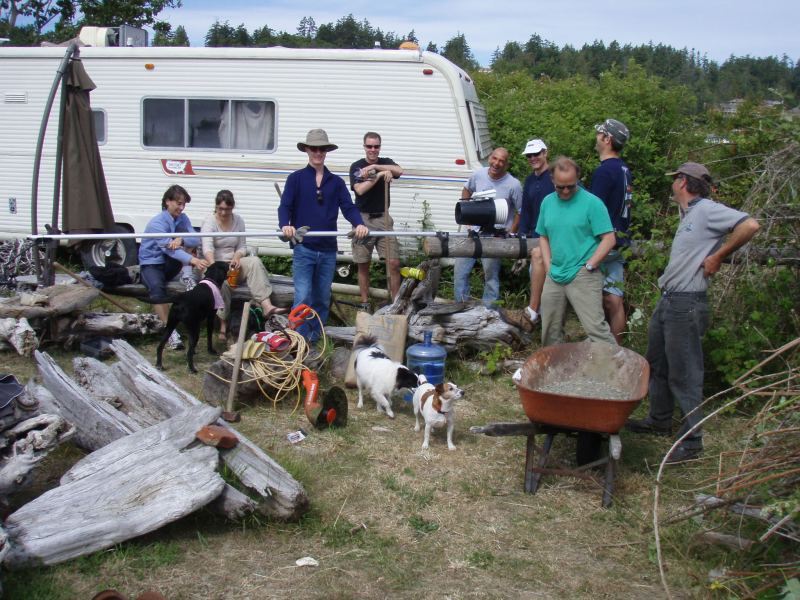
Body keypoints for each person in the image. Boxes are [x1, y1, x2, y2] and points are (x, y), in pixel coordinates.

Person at [626, 162, 759, 464]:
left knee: (685, 373)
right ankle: (659, 420)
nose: (672, 185)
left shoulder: (708, 209)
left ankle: (692, 441)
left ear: (683, 182)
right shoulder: (689, 214)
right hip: (669, 301)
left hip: (687, 303)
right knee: (657, 362)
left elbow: (750, 225)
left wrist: (718, 256)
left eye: (675, 180)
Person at [278, 129, 368, 341]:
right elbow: (285, 207)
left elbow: (349, 207)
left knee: (321, 298)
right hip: (304, 248)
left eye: (322, 149)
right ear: (307, 150)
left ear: (326, 151)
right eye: (314, 148)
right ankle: (297, 343)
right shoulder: (296, 179)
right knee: (302, 297)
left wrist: (359, 224)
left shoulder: (336, 182)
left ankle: (315, 342)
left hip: (327, 250)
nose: (318, 152)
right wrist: (285, 225)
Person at [536, 156, 617, 347]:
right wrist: (548, 266)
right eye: (560, 187)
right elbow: (543, 236)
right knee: (549, 330)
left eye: (571, 186)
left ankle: (616, 371)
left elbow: (609, 238)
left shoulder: (592, 203)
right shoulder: (547, 202)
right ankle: (554, 372)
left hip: (583, 273)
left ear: (578, 179)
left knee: (596, 330)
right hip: (555, 273)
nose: (565, 191)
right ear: (552, 180)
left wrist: (590, 265)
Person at [201, 189, 287, 341]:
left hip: (233, 262)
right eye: (220, 208)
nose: (223, 212)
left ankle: (267, 306)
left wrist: (237, 257)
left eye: (227, 209)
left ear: (232, 207)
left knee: (255, 262)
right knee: (224, 285)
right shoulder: (209, 221)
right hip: (214, 264)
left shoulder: (238, 220)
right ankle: (222, 323)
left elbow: (242, 245)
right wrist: (215, 267)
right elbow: (207, 248)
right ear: (216, 207)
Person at [139, 185, 209, 350]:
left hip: (169, 263)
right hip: (152, 264)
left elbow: (195, 239)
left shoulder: (183, 218)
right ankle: (169, 331)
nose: (181, 207)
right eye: (178, 203)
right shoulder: (157, 223)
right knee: (157, 288)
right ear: (167, 202)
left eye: (183, 204)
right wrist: (193, 260)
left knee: (186, 242)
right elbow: (169, 250)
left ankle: (187, 276)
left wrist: (182, 239)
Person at [454, 147, 523, 307]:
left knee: (490, 277)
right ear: (490, 158)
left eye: (501, 161)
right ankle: (461, 307)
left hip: (495, 237)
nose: (496, 163)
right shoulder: (478, 175)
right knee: (460, 273)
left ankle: (488, 312)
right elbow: (466, 190)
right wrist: (467, 220)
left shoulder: (514, 185)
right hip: (473, 233)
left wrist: (510, 233)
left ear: (506, 164)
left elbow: (520, 212)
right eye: (494, 158)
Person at [349, 132, 404, 309]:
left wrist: (380, 167)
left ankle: (395, 303)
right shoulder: (357, 167)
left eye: (376, 146)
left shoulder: (385, 161)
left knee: (394, 262)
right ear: (364, 146)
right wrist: (380, 175)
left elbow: (399, 170)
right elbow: (360, 190)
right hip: (362, 219)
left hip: (383, 218)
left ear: (380, 147)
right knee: (363, 263)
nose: (373, 149)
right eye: (369, 146)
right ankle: (365, 302)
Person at [591, 118, 633, 343]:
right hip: (621, 240)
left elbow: (593, 210)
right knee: (614, 299)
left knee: (591, 297)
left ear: (607, 139)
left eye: (600, 134)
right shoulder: (625, 169)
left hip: (603, 242)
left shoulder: (605, 171)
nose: (597, 138)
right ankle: (617, 349)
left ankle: (599, 346)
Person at [517, 138, 554, 325]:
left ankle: (539, 314)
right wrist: (522, 239)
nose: (533, 158)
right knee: (535, 273)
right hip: (533, 237)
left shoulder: (556, 176)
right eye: (529, 155)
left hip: (553, 237)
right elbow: (526, 211)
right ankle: (539, 317)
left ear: (545, 153)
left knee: (547, 277)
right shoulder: (530, 180)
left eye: (536, 154)